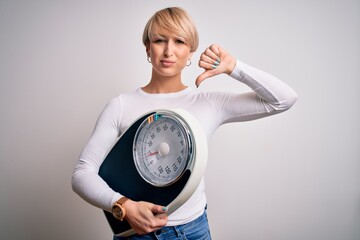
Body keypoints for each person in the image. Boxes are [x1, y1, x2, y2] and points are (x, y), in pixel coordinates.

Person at [71, 6, 297, 240]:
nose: (169, 51)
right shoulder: (121, 105)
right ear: (148, 47)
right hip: (133, 232)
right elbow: (82, 174)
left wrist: (234, 67)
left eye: (179, 41)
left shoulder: (208, 103)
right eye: (159, 40)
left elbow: (284, 99)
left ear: (191, 52)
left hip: (192, 231)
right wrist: (123, 206)